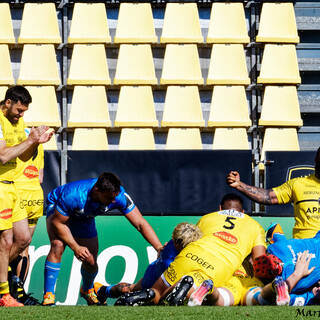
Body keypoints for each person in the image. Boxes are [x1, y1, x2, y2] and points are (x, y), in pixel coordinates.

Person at [114, 193, 267, 306]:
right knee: (194, 287)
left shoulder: (208, 217)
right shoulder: (255, 226)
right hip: (219, 265)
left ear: (220, 208)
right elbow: (259, 263)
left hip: (191, 253)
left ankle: (148, 294)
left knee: (157, 292)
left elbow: (190, 240)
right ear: (244, 212)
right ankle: (187, 286)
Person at [42, 172, 163, 306]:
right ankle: (48, 296)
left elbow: (140, 223)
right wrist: (75, 247)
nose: (113, 202)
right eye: (109, 198)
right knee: (57, 245)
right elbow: (58, 223)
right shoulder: (73, 195)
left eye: (114, 198)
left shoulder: (119, 197)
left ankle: (87, 290)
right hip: (59, 210)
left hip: (85, 216)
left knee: (91, 261)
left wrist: (158, 247)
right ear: (97, 190)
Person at [0, 86, 52, 307]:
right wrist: (30, 141)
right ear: (8, 102)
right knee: (6, 241)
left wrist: (37, 141)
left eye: (24, 111)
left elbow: (22, 157)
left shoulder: (17, 122)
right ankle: (4, 294)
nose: (21, 115)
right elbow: (2, 156)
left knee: (23, 239)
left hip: (12, 187)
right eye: (19, 110)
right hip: (0, 186)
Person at [93, 222, 202, 304]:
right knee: (134, 291)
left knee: (131, 288)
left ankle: (102, 290)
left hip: (154, 269)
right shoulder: (174, 259)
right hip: (156, 279)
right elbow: (165, 291)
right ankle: (102, 290)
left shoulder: (174, 241)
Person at [226, 147, 320, 239]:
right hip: (304, 246)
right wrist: (239, 185)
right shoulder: (298, 184)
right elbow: (269, 196)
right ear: (316, 159)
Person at [9, 129, 45, 305]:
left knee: (8, 243)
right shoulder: (39, 143)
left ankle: (8, 288)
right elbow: (40, 177)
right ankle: (19, 293)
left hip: (16, 193)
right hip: (35, 196)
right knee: (24, 247)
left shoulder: (14, 141)